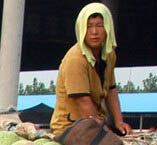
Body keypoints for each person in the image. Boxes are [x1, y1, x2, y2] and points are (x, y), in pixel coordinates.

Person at [50, 3, 133, 136]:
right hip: (70, 128)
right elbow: (83, 101)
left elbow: (111, 90)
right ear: (82, 29)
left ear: (108, 28)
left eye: (99, 25)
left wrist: (119, 122)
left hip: (97, 122)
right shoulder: (75, 59)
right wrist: (103, 133)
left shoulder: (109, 54)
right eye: (89, 26)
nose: (94, 32)